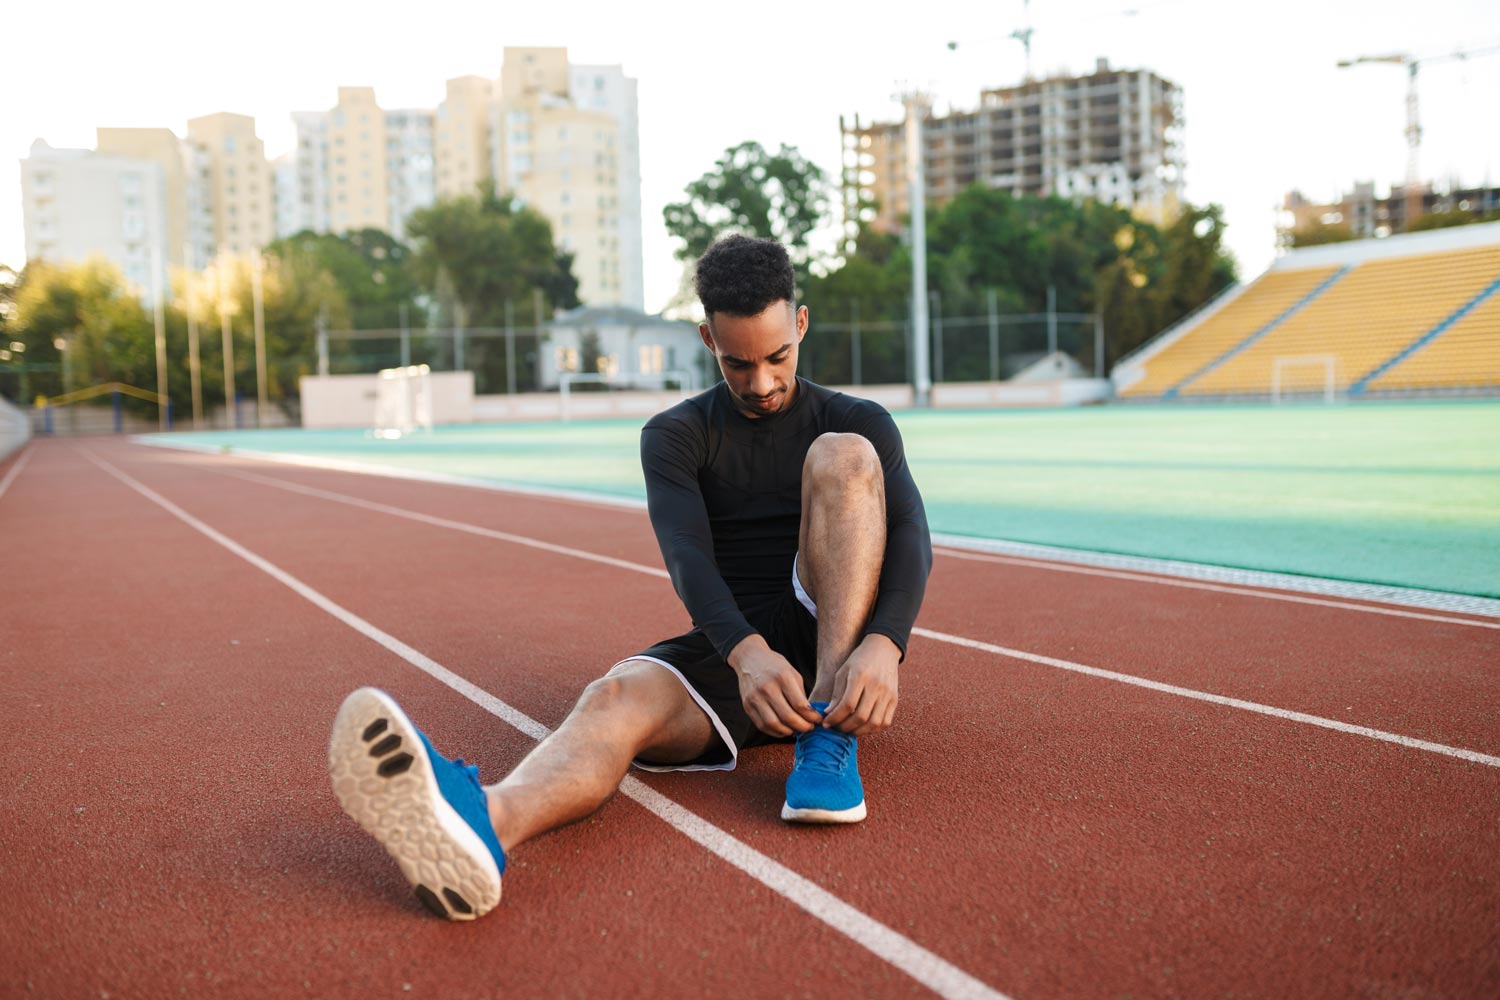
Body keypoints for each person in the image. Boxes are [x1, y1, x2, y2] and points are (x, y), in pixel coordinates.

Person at [328, 234, 932, 920]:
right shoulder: (675, 435)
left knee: (844, 457)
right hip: (737, 648)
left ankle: (827, 733)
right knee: (611, 698)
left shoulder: (858, 421)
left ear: (801, 323)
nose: (761, 383)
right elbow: (688, 559)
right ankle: (484, 824)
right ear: (707, 338)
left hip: (828, 618)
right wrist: (746, 654)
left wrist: (885, 643)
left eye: (777, 358)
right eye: (738, 364)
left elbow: (910, 534)